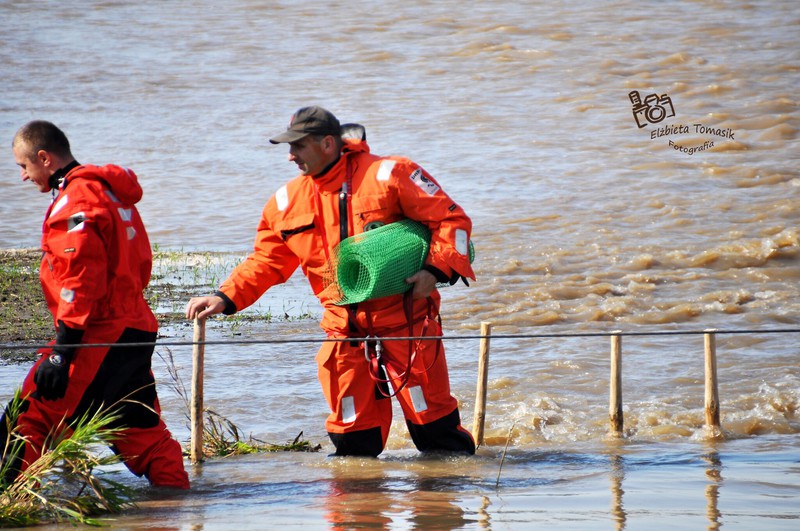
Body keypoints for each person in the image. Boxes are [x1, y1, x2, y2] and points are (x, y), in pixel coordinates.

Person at [186, 106, 476, 457]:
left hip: (407, 321)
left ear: (327, 143)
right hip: (341, 329)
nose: (290, 156)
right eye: (289, 147)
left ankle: (449, 489)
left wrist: (436, 271)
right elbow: (266, 261)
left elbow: (452, 221)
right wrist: (224, 296)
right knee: (352, 444)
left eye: (298, 146)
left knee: (436, 432)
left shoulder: (391, 173)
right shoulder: (285, 203)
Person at [1, 120, 189, 489]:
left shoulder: (77, 200)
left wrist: (62, 353)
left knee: (27, 418)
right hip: (134, 326)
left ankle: (9, 503)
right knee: (138, 429)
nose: (23, 176)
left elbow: (80, 278)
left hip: (99, 333)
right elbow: (133, 265)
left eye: (24, 166)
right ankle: (176, 504)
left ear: (44, 158)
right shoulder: (110, 193)